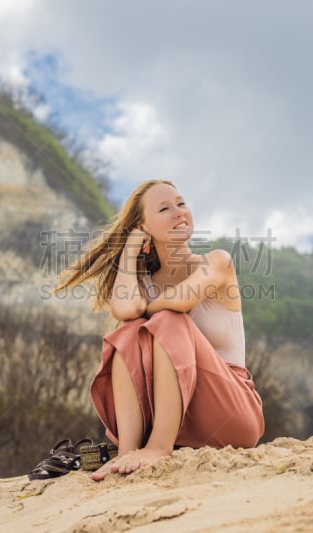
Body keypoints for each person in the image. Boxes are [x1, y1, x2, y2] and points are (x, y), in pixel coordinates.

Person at [55, 180, 264, 481]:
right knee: (128, 332)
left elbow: (179, 301)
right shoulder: (145, 283)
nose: (179, 212)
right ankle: (128, 450)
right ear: (144, 227)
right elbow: (125, 311)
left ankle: (158, 447)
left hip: (232, 412)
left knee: (165, 318)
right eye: (165, 208)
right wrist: (129, 252)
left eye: (181, 203)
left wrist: (144, 310)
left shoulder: (217, 263)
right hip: (182, 422)